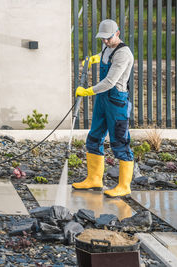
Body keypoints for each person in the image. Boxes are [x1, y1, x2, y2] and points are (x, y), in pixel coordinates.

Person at [72, 19, 134, 198]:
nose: (105, 42)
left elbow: (109, 82)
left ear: (117, 33)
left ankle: (124, 186)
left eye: (108, 38)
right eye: (103, 39)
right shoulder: (107, 47)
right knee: (94, 136)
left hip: (116, 101)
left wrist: (87, 91)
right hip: (103, 99)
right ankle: (94, 179)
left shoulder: (124, 54)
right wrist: (95, 58)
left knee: (120, 142)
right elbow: (104, 55)